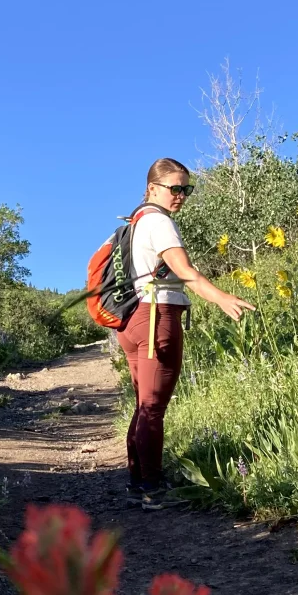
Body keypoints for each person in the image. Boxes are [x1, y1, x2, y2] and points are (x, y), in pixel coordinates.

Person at [117, 157, 253, 511]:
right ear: (152, 189)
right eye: (174, 188)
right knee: (153, 407)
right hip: (155, 317)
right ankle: (151, 487)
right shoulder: (158, 222)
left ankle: (138, 482)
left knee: (144, 403)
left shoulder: (134, 224)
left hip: (132, 320)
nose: (181, 195)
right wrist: (221, 298)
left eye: (186, 189)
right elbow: (184, 270)